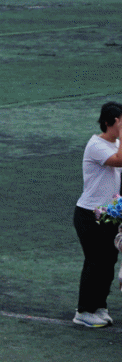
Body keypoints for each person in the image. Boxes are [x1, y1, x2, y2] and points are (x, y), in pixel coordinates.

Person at [72, 102, 122, 327]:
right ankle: (84, 311)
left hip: (109, 213)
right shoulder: (96, 145)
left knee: (108, 261)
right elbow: (119, 160)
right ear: (110, 123)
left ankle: (99, 305)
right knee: (95, 261)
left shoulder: (117, 144)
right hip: (89, 214)